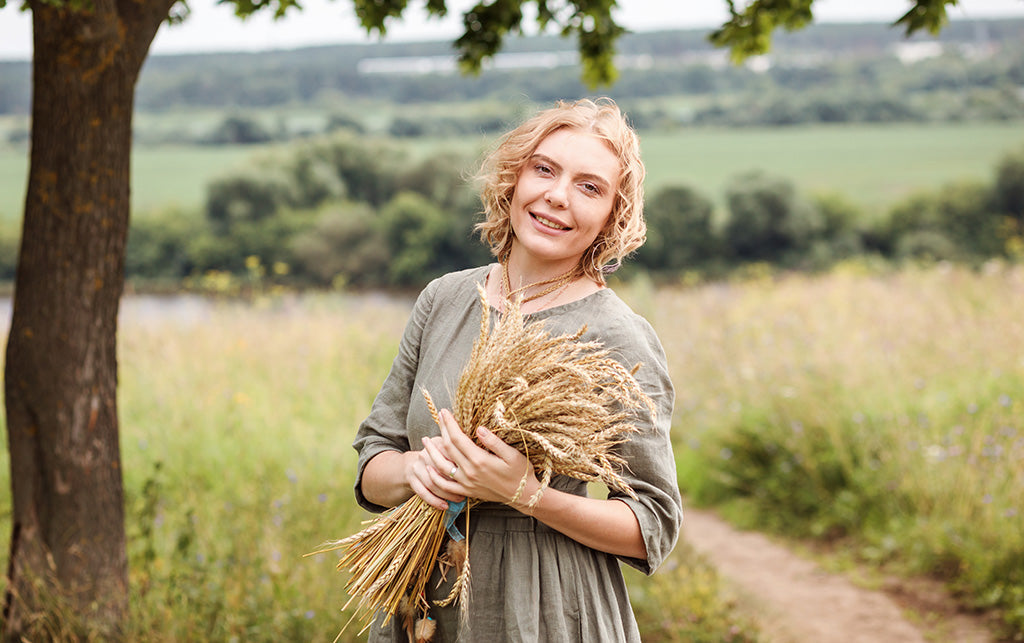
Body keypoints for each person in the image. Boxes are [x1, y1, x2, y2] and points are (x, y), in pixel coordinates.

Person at [352, 97, 682, 642]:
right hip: (425, 601)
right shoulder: (444, 299)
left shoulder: (617, 334)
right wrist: (416, 471)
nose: (557, 196)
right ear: (513, 178)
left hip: (547, 608)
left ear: (612, 216)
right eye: (544, 169)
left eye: (589, 186)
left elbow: (653, 525)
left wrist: (526, 494)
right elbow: (372, 465)